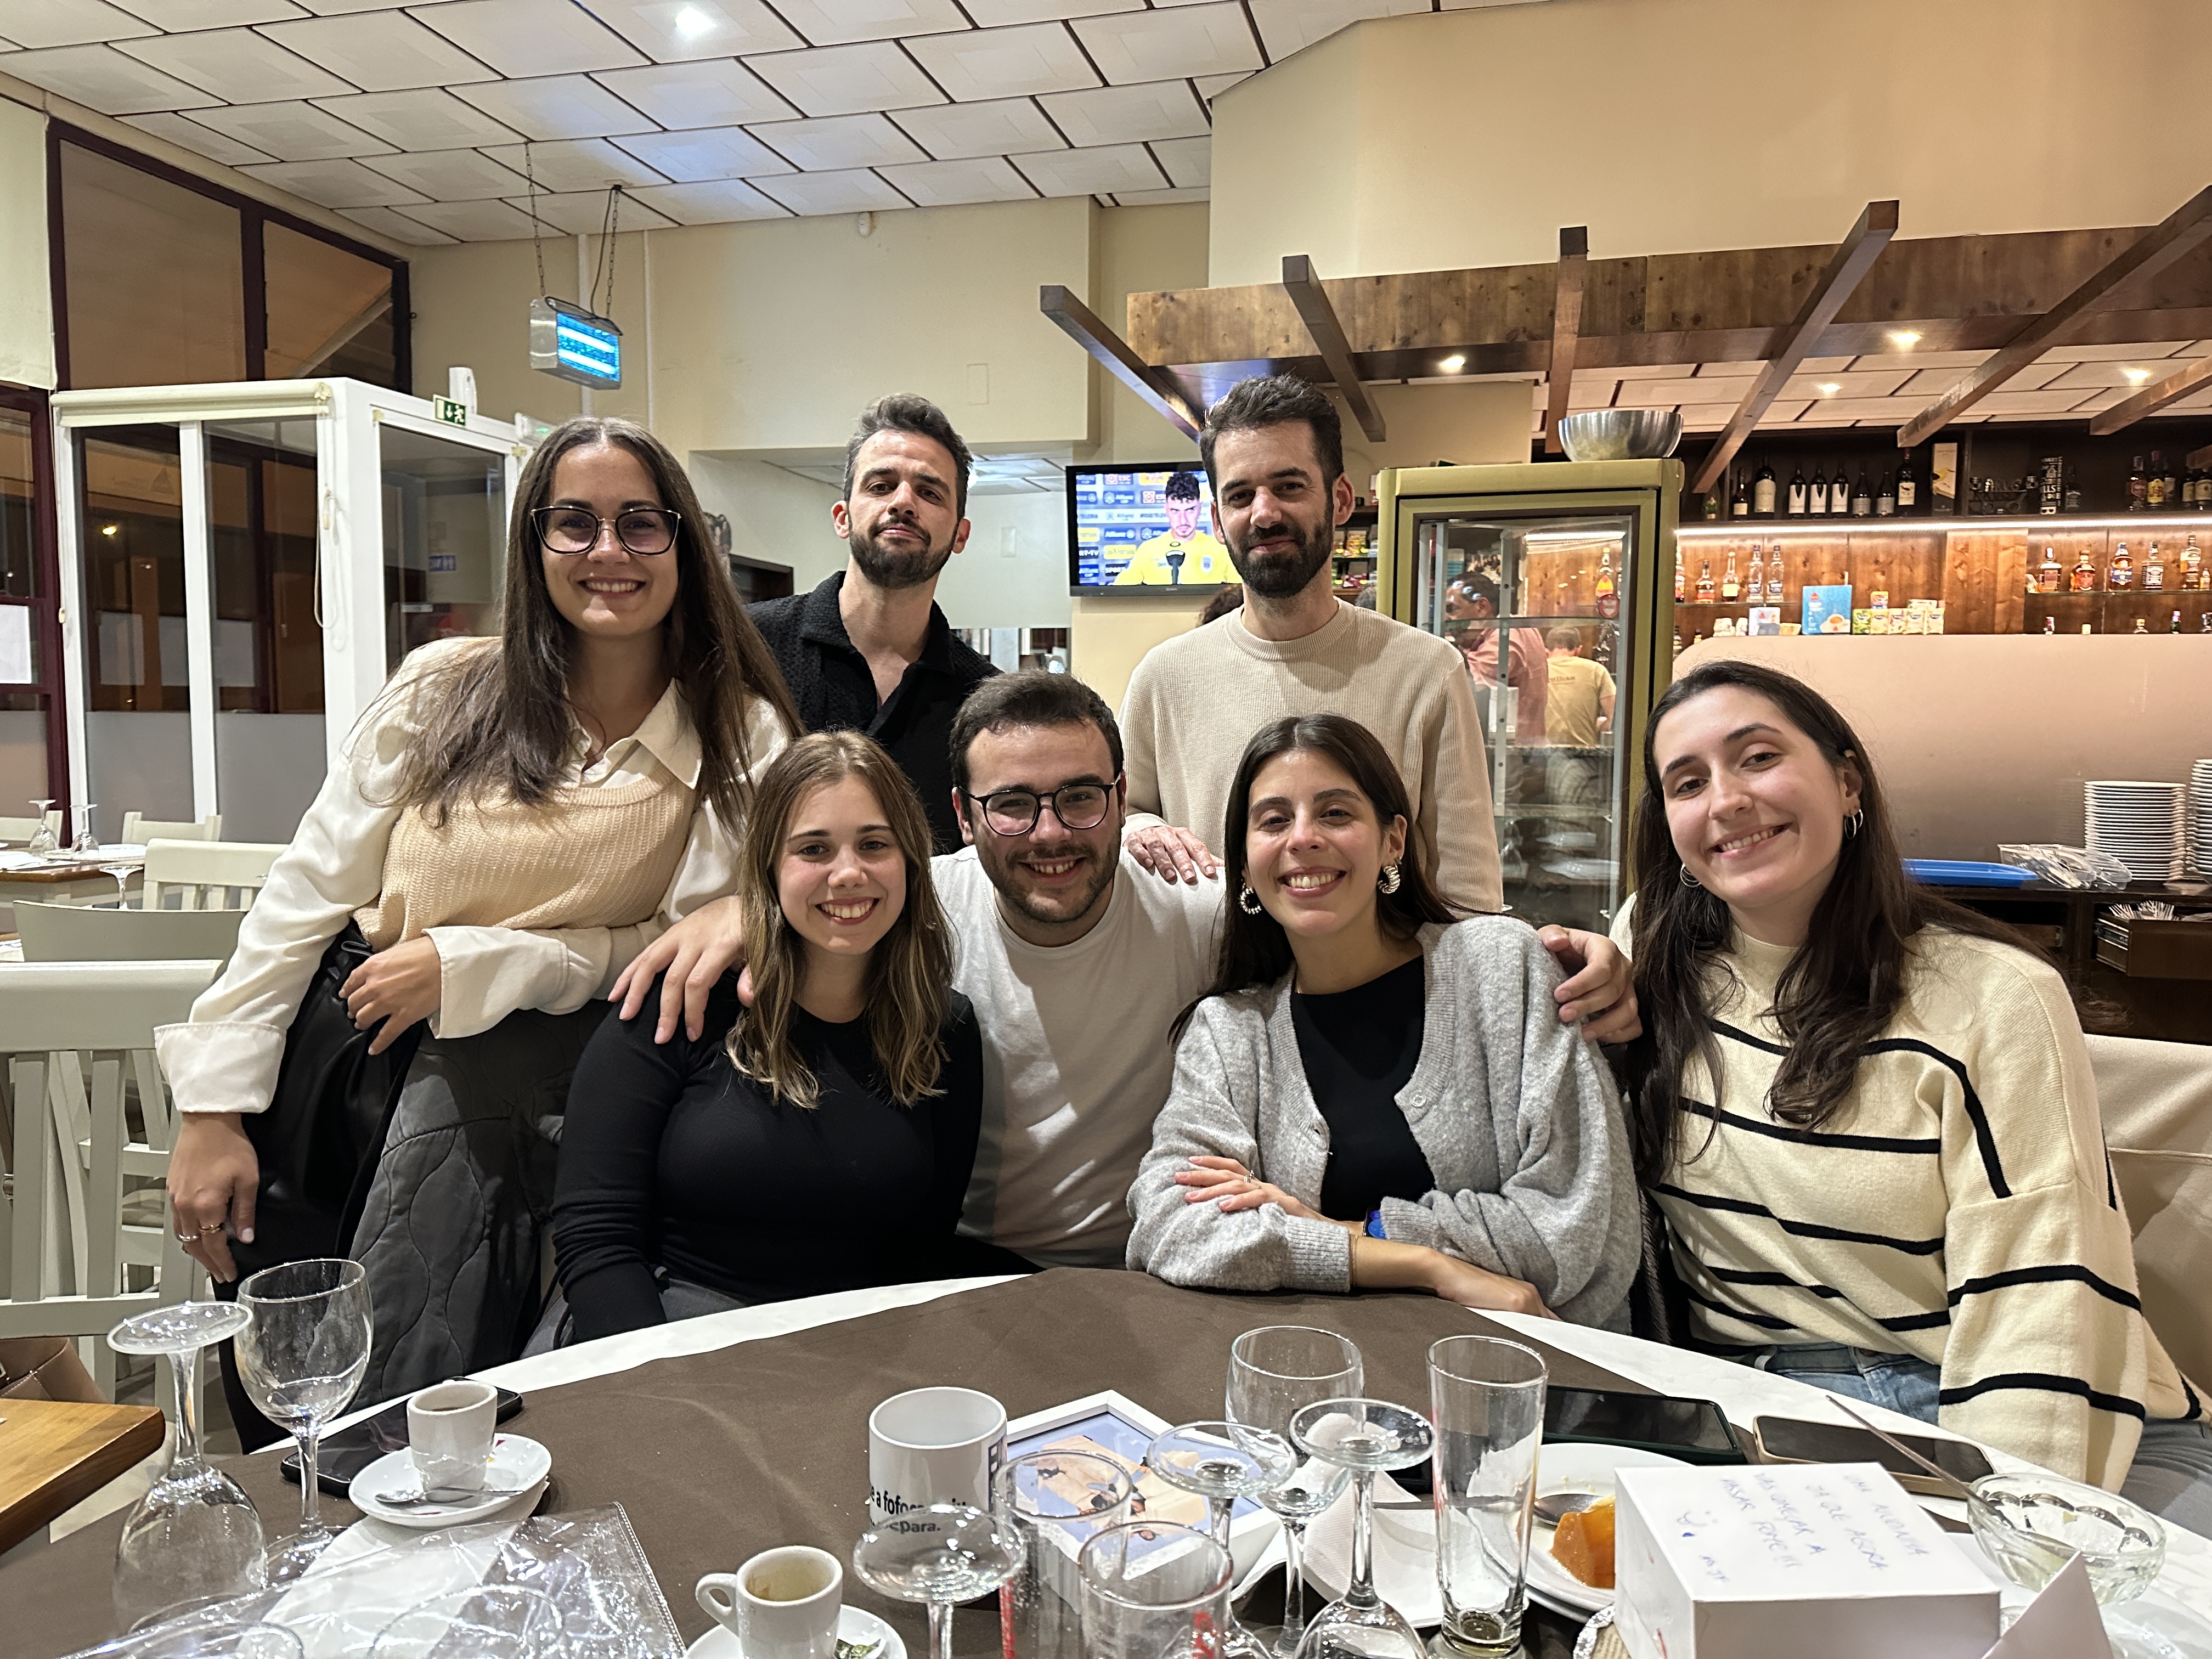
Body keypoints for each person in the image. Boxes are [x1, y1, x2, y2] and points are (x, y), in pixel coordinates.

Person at [160, 416, 800, 1429]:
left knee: (419, 1325)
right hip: (347, 1043)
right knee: (282, 1339)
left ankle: (373, 1467)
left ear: (682, 540)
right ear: (531, 542)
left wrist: (478, 963)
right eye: (573, 523)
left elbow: (666, 954)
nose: (607, 552)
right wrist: (211, 1108)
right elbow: (305, 892)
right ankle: (319, 1492)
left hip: (539, 1063)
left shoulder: (737, 731)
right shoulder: (443, 686)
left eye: (640, 523)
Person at [611, 672, 1642, 1270]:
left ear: (1121, 796)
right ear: (965, 821)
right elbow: (816, 888)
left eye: (1081, 798)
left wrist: (1588, 954)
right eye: (1012, 804)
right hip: (955, 1270)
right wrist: (731, 912)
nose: (1049, 831)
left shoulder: (1207, 928)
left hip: (1139, 1284)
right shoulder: (906, 907)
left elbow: (1577, 1207)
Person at [1618, 658, 2209, 1527]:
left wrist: (2013, 1526)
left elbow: (2040, 1292)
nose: (1728, 801)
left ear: (1847, 780)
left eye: (1757, 758)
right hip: (1763, 1410)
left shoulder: (1995, 995)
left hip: (2011, 1410)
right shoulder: (1652, 954)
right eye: (1688, 782)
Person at [1125, 714, 1641, 1326]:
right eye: (1273, 820)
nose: (1303, 838)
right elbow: (1169, 1227)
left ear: (1393, 840)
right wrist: (1422, 1265)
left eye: (1336, 813)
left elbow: (1570, 1230)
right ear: (1244, 860)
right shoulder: (1230, 1029)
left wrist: (1344, 1227)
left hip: (1525, 1383)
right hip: (1318, 1386)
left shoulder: (1502, 968)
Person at [549, 732, 982, 1340]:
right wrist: (661, 1384)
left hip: (851, 1349)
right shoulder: (681, 998)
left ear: (910, 861)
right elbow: (596, 1237)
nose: (849, 872)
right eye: (814, 849)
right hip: (664, 1333)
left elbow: (923, 1247)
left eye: (874, 844)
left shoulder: (945, 1029)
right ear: (769, 869)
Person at [1115, 375, 1504, 913]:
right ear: (1217, 521)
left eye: (1290, 486)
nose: (1265, 513)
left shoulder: (1427, 671)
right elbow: (1123, 816)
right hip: (1209, 990)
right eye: (1240, 495)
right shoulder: (1163, 676)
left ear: (1340, 500)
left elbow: (1468, 894)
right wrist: (1139, 830)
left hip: (1382, 993)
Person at [749, 395, 995, 855]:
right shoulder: (749, 649)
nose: (903, 502)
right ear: (843, 518)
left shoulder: (984, 700)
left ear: (960, 534)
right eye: (881, 486)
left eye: (929, 492)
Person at [1446, 571, 1549, 745]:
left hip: (1510, 755)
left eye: (1452, 610)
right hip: (1525, 748)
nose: (1446, 619)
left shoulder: (1506, 637)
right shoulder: (1518, 627)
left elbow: (1472, 687)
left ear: (1482, 607)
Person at [1112, 470, 1232, 586]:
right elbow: (1117, 591)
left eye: (1190, 510)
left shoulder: (1221, 549)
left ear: (1200, 508)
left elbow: (1240, 593)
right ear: (1166, 509)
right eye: (1175, 511)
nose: (1183, 520)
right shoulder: (1147, 550)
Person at [1543, 626, 1615, 748]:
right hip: (1583, 755)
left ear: (1546, 651)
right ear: (1578, 651)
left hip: (1539, 754)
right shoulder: (1596, 670)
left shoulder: (1538, 670)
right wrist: (1597, 727)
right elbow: (1615, 718)